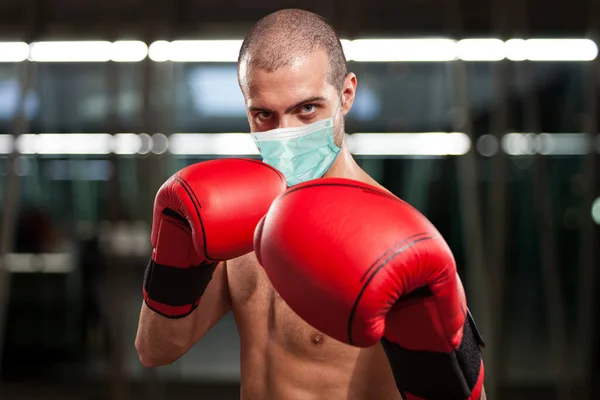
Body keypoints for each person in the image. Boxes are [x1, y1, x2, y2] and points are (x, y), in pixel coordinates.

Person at [135, 8, 486, 400]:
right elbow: (156, 350)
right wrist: (174, 252)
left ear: (346, 94)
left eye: (306, 109)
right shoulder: (236, 219)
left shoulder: (392, 238)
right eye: (264, 114)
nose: (285, 135)